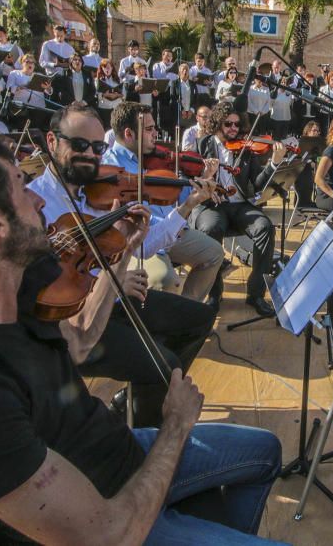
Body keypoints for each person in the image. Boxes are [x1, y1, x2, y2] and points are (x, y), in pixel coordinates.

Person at [0, 128, 284, 545]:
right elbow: (109, 535)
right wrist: (174, 426)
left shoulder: (20, 283)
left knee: (266, 451)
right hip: (110, 514)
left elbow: (79, 341)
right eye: (22, 187)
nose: (39, 199)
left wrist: (119, 254)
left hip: (119, 454)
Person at [28, 103, 217, 425]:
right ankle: (143, 437)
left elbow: (141, 244)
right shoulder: (34, 204)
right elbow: (44, 292)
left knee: (200, 318)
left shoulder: (100, 194)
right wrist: (111, 283)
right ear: (52, 141)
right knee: (164, 365)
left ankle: (130, 403)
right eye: (79, 145)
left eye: (99, 147)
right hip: (73, 318)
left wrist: (188, 205)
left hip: (116, 297)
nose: (91, 155)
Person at [104, 102, 226, 306]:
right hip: (140, 241)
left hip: (172, 229)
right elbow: (134, 230)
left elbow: (173, 197)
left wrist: (201, 182)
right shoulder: (111, 169)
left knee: (214, 253)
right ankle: (159, 326)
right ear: (129, 134)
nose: (156, 134)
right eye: (150, 129)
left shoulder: (150, 158)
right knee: (166, 280)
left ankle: (186, 311)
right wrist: (176, 218)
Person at [193, 102, 286, 316]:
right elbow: (188, 177)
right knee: (211, 229)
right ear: (217, 124)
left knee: (265, 228)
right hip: (212, 206)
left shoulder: (247, 150)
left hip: (240, 205)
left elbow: (258, 183)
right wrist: (206, 183)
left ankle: (256, 294)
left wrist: (273, 163)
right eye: (228, 124)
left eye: (237, 124)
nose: (234, 128)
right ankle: (214, 293)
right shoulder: (202, 145)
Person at [6, 53, 53, 130]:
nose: (30, 64)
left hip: (38, 109)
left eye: (32, 62)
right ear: (22, 63)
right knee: (22, 130)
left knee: (36, 131)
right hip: (21, 109)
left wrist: (48, 87)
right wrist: (22, 86)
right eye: (27, 62)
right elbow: (9, 88)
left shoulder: (39, 75)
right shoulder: (14, 73)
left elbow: (49, 92)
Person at [95, 58, 125, 128]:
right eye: (104, 67)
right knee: (105, 129)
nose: (107, 69)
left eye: (108, 67)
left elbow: (124, 95)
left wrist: (118, 95)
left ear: (112, 68)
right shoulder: (98, 80)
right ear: (101, 68)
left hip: (116, 107)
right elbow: (95, 95)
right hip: (104, 108)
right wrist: (104, 95)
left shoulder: (119, 80)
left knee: (117, 128)